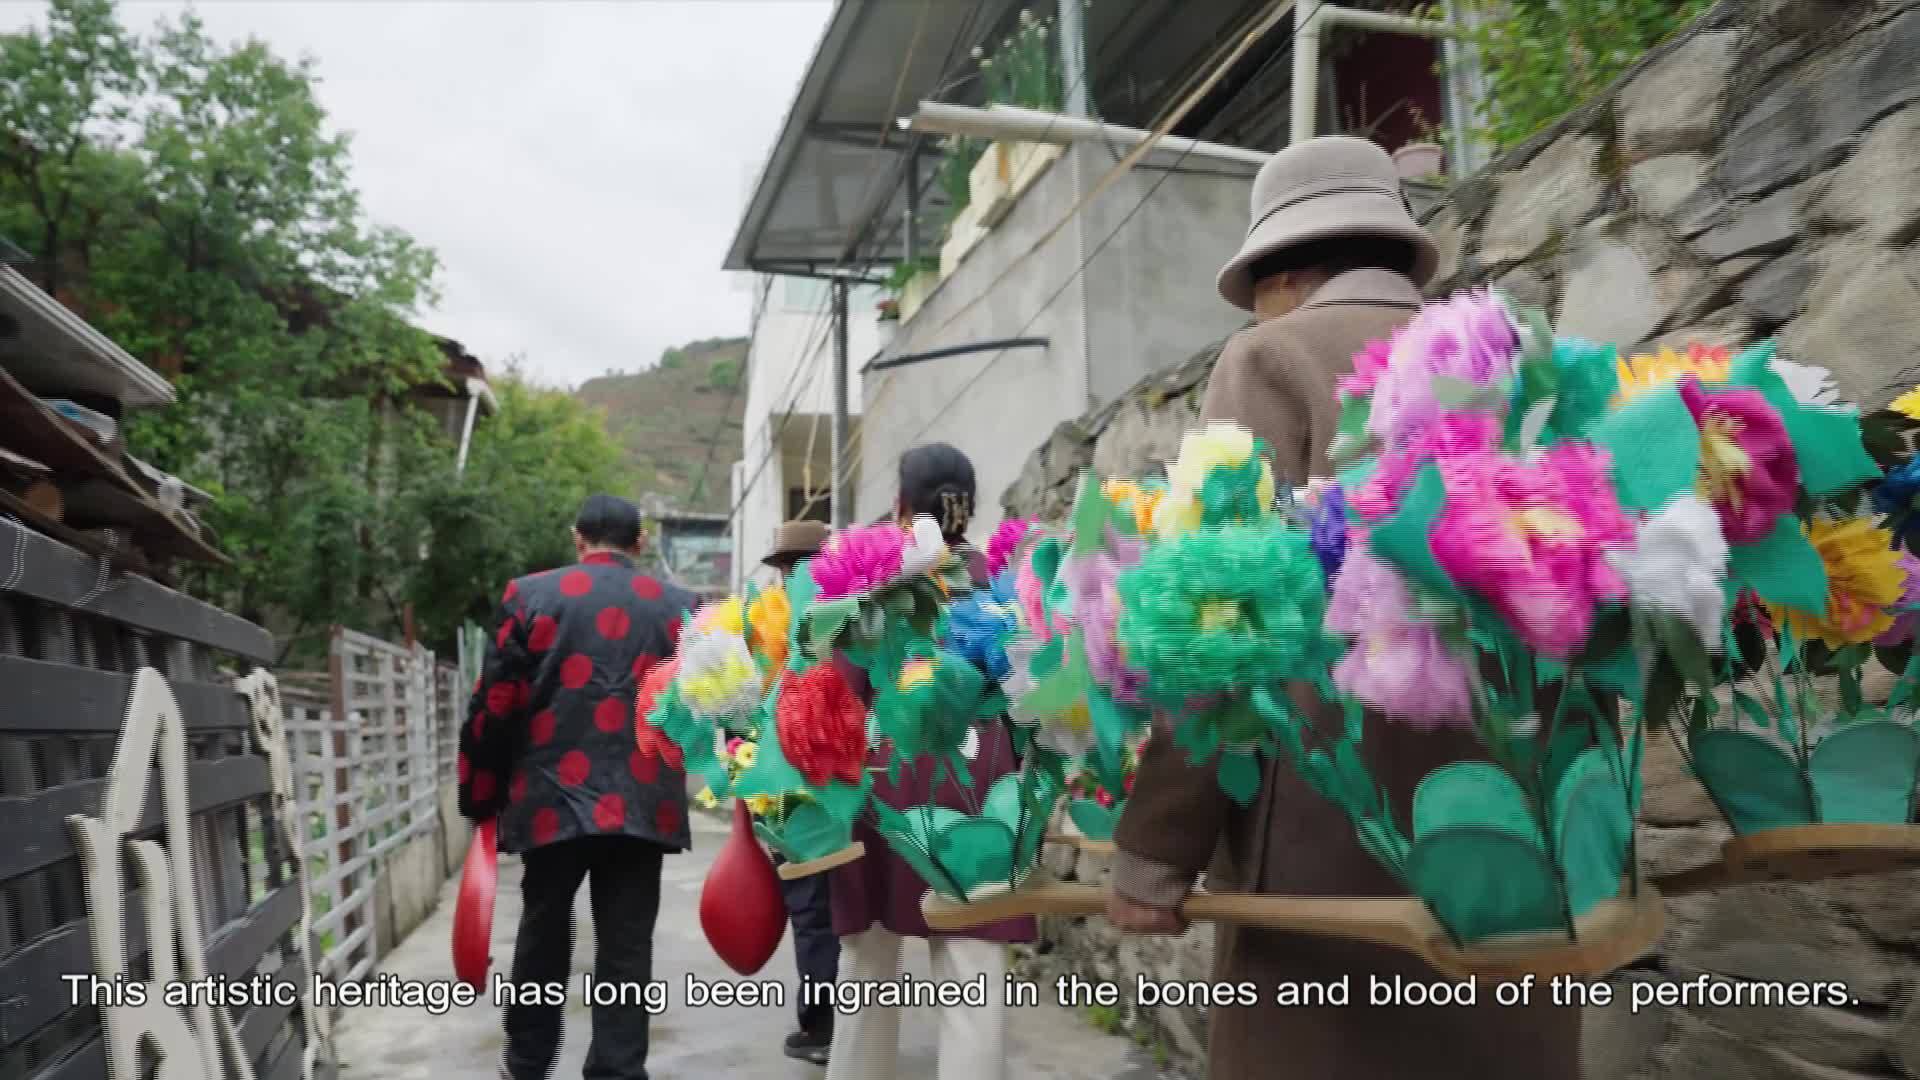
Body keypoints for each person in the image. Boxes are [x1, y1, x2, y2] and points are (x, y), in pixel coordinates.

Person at [1104, 137, 1582, 1078]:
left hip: (1335, 847)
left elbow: (1220, 625)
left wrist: (1154, 852)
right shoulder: (1517, 363)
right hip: (1517, 838)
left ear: (1282, 273)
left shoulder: (1272, 358)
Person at [459, 494, 697, 1080]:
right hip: (645, 802)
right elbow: (699, 709)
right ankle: (618, 1069)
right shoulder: (680, 607)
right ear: (639, 545)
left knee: (543, 929)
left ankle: (528, 1059)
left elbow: (496, 705)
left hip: (549, 801)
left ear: (577, 538)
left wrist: (479, 796)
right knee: (625, 944)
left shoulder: (530, 596)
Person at [826, 444, 1031, 1080]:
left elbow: (836, 699)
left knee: (867, 963)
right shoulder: (1005, 582)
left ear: (899, 505)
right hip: (982, 786)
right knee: (972, 971)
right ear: (969, 506)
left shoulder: (870, 587)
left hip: (884, 784)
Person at [761, 519, 841, 1066]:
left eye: (792, 567)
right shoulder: (857, 609)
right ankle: (845, 1025)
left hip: (803, 796)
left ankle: (821, 1030)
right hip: (848, 791)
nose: (790, 577)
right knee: (850, 914)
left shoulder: (786, 623)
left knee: (814, 913)